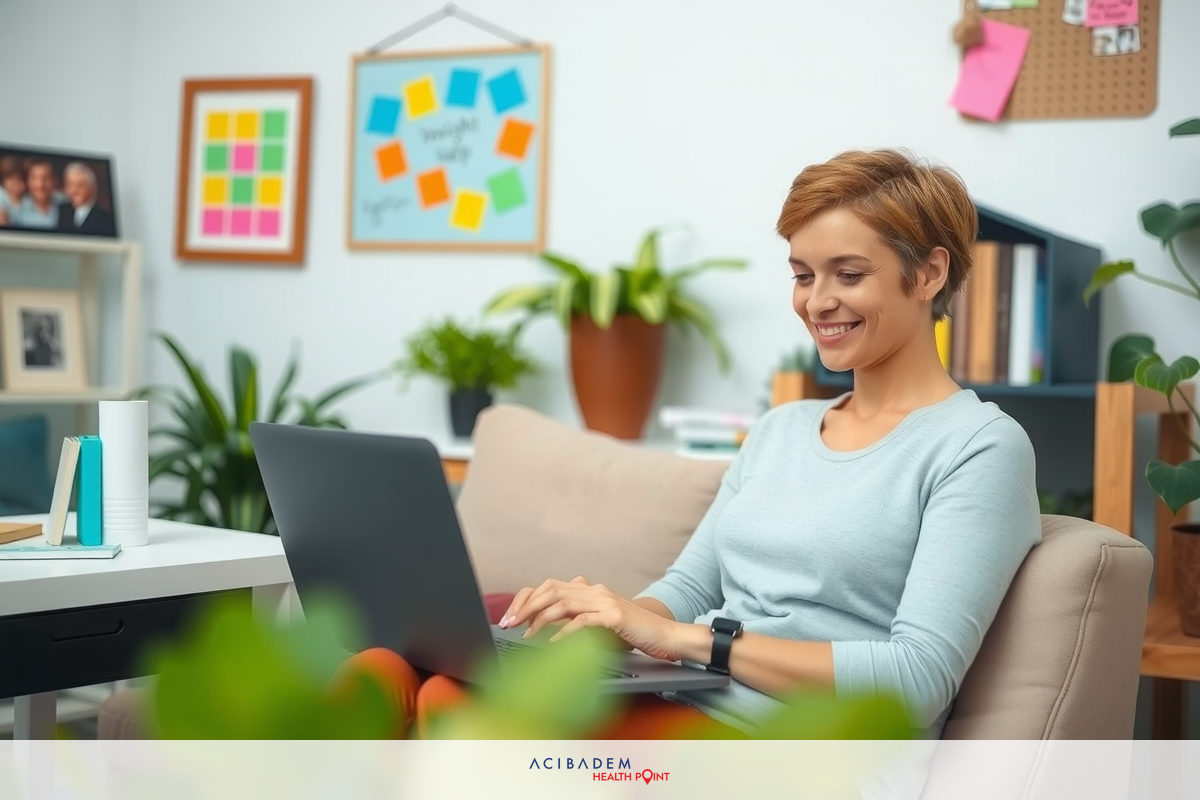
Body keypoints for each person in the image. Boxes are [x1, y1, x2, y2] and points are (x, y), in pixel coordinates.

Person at [341, 148, 1043, 740]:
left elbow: (917, 680)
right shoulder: (782, 430)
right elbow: (687, 589)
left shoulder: (977, 448)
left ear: (928, 274)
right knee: (389, 666)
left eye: (848, 274)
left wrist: (687, 643)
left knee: (448, 705)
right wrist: (609, 619)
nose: (816, 302)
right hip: (681, 697)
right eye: (802, 275)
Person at [56, 161, 115, 236]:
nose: (73, 191)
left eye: (79, 185)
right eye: (70, 185)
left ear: (92, 188)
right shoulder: (62, 212)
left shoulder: (105, 219)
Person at [8, 158, 61, 229]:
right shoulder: (16, 211)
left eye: (46, 178)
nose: (40, 185)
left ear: (53, 181)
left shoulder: (65, 204)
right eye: (34, 178)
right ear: (28, 181)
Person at [0, 155, 26, 226]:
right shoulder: (1, 195)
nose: (15, 184)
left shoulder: (28, 200)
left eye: (19, 179)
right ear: (3, 180)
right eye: (11, 179)